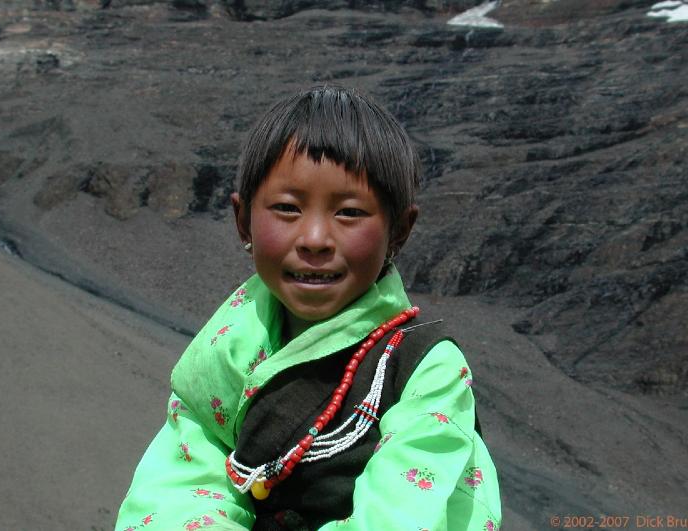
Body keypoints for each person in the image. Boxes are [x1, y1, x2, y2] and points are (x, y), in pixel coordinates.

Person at [115, 86, 501, 531]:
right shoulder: (223, 355)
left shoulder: (427, 373)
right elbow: (175, 494)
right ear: (243, 220)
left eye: (350, 213)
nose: (315, 238)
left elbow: (400, 517)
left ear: (400, 229)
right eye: (286, 208)